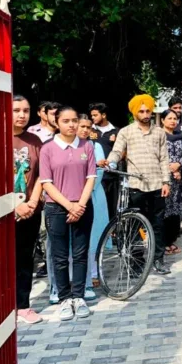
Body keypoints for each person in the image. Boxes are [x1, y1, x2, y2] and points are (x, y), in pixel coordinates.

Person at [40, 106, 97, 321]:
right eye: (66, 121)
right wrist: (69, 206)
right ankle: (64, 299)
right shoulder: (48, 149)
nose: (71, 125)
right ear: (57, 122)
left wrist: (80, 205)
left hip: (83, 205)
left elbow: (91, 177)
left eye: (75, 120)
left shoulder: (87, 146)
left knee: (81, 254)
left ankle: (78, 296)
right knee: (60, 256)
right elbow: (46, 183)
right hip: (56, 208)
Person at [107, 94, 172, 275]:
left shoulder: (159, 132)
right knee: (134, 226)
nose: (145, 114)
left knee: (157, 224)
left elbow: (164, 158)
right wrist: (111, 163)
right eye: (141, 111)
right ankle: (137, 262)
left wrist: (166, 181)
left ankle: (158, 260)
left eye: (148, 111)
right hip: (135, 185)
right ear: (135, 112)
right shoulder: (126, 131)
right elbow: (117, 151)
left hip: (157, 184)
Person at [13, 95, 44, 324]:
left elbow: (43, 174)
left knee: (25, 257)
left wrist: (32, 202)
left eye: (26, 110)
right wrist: (15, 205)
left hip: (31, 208)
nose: (22, 115)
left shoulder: (34, 140)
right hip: (3, 210)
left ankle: (23, 306)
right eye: (16, 110)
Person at [76, 115, 109, 300]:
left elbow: (99, 172)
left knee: (93, 238)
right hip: (70, 198)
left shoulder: (95, 147)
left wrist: (84, 193)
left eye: (88, 127)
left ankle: (94, 273)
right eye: (82, 126)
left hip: (94, 195)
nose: (85, 130)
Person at [161, 109, 182, 253]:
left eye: (175, 118)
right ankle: (163, 243)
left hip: (178, 180)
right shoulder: (159, 136)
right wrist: (172, 168)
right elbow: (158, 156)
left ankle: (172, 241)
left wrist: (179, 165)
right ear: (162, 120)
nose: (173, 121)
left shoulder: (180, 136)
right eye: (169, 118)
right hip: (164, 179)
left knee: (176, 211)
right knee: (165, 210)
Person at [89, 102, 120, 223]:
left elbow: (123, 151)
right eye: (91, 115)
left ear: (103, 115)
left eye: (95, 115)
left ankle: (111, 232)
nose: (92, 118)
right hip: (95, 174)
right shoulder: (89, 130)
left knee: (112, 205)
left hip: (111, 175)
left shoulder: (117, 131)